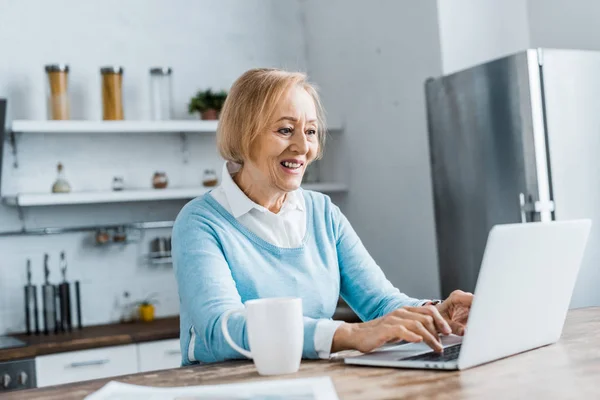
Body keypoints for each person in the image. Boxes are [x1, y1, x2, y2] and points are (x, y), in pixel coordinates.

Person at [172, 68, 473, 365]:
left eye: (311, 132)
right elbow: (219, 329)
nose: (303, 147)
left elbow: (381, 303)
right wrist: (347, 334)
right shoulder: (201, 222)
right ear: (242, 134)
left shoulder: (323, 213)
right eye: (285, 130)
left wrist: (435, 314)